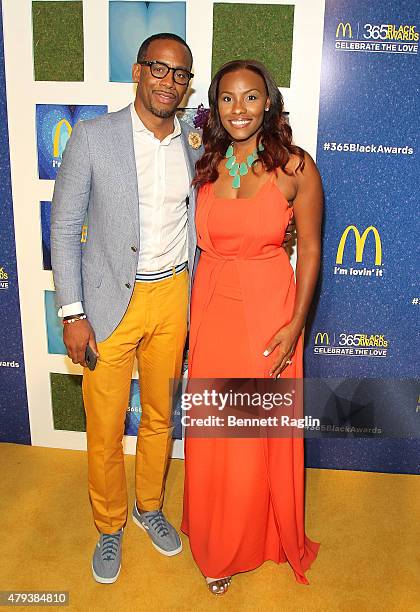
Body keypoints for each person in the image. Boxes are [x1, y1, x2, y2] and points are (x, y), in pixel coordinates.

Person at [50, 33, 203, 584]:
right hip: (109, 301)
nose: (168, 80)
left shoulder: (194, 143)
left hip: (173, 298)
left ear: (187, 86)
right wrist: (72, 311)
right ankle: (110, 524)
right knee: (106, 426)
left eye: (180, 73)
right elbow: (65, 227)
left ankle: (149, 507)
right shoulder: (94, 137)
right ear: (137, 73)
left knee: (160, 416)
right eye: (158, 69)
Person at [181, 60, 323, 594]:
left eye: (250, 98)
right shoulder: (206, 163)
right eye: (227, 99)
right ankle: (217, 537)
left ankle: (252, 539)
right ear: (214, 106)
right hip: (212, 305)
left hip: (269, 310)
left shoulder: (296, 168)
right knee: (215, 432)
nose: (238, 109)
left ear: (270, 103)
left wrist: (295, 325)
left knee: (250, 436)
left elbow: (309, 251)